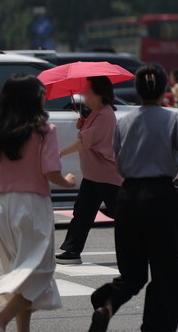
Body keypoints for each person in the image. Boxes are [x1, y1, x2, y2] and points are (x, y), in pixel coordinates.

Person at [88, 64, 178, 332]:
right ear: (164, 90)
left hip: (127, 198)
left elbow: (117, 165)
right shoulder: (174, 120)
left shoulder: (124, 121)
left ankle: (107, 306)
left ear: (137, 91)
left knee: (132, 274)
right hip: (160, 198)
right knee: (166, 273)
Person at [0, 74, 76, 332]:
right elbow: (51, 172)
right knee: (40, 272)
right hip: (31, 205)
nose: (45, 98)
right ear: (31, 99)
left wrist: (3, 179)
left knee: (21, 274)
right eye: (42, 93)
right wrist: (69, 181)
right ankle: (1, 319)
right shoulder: (43, 131)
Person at [56, 77, 123, 265]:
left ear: (99, 94)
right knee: (83, 212)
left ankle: (146, 247)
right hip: (95, 174)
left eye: (87, 90)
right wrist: (83, 124)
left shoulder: (104, 114)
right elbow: (88, 136)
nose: (83, 94)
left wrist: (60, 153)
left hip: (105, 176)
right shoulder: (97, 113)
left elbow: (85, 141)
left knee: (125, 215)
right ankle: (72, 250)